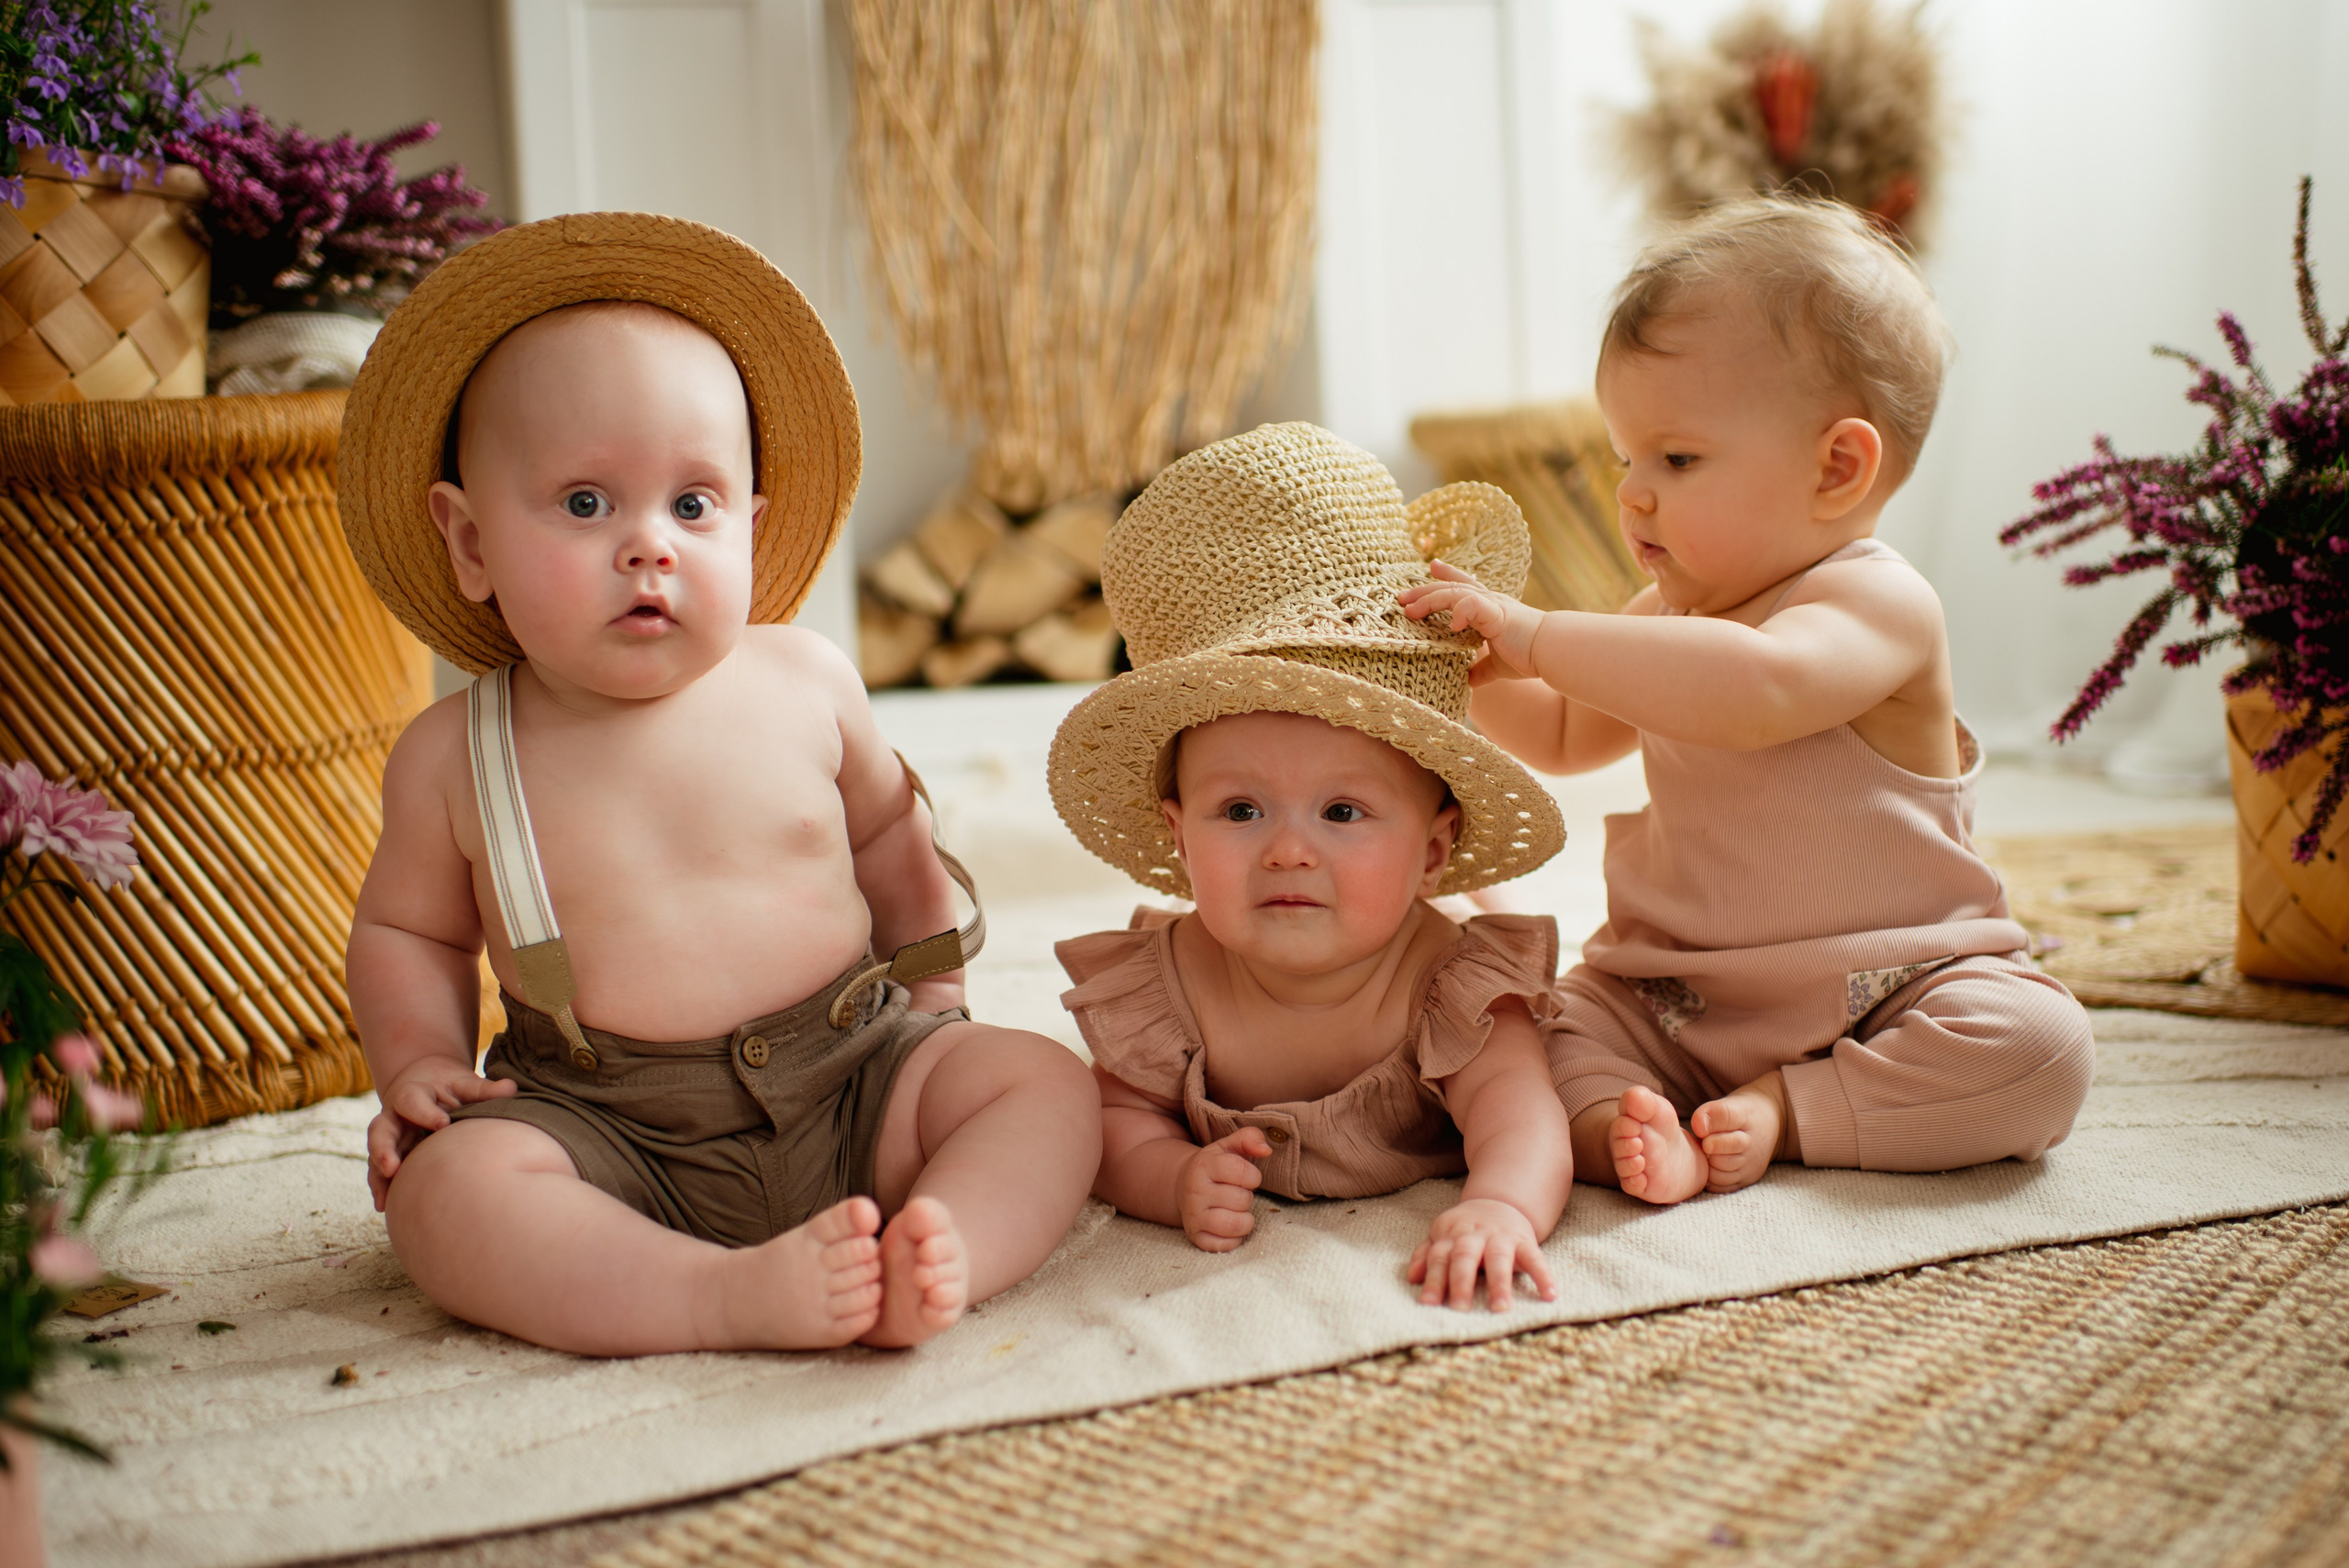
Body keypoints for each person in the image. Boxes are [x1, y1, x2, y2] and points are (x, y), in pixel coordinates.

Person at [340, 214, 1100, 1353]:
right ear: (470, 541)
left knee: (1041, 1083)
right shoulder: (455, 754)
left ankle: (941, 1249)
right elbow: (407, 930)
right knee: (450, 1198)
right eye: (586, 503)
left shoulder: (806, 678)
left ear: (750, 526)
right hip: (605, 1126)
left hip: (853, 1065)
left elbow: (896, 839)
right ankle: (710, 1294)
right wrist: (423, 1065)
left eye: (691, 505)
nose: (649, 546)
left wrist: (935, 1008)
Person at [1399, 195, 2095, 1206]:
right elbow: (1559, 729)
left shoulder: (1878, 601)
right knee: (1528, 1032)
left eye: (1675, 459)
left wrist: (1539, 634)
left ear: (1836, 467)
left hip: (1890, 991)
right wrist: (1466, 673)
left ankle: (1788, 1108)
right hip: (1672, 1000)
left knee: (2038, 1053)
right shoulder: (1666, 605)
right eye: (1623, 458)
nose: (1632, 494)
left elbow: (1755, 690)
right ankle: (1616, 1128)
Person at [1048, 422, 1574, 1311]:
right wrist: (1169, 1173)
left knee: (1587, 1079)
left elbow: (1523, 1115)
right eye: (1240, 810)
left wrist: (1498, 1202)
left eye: (1341, 812)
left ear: (1434, 851)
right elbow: (1111, 1121)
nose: (1287, 848)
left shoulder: (1455, 986)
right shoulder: (1162, 989)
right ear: (1178, 834)